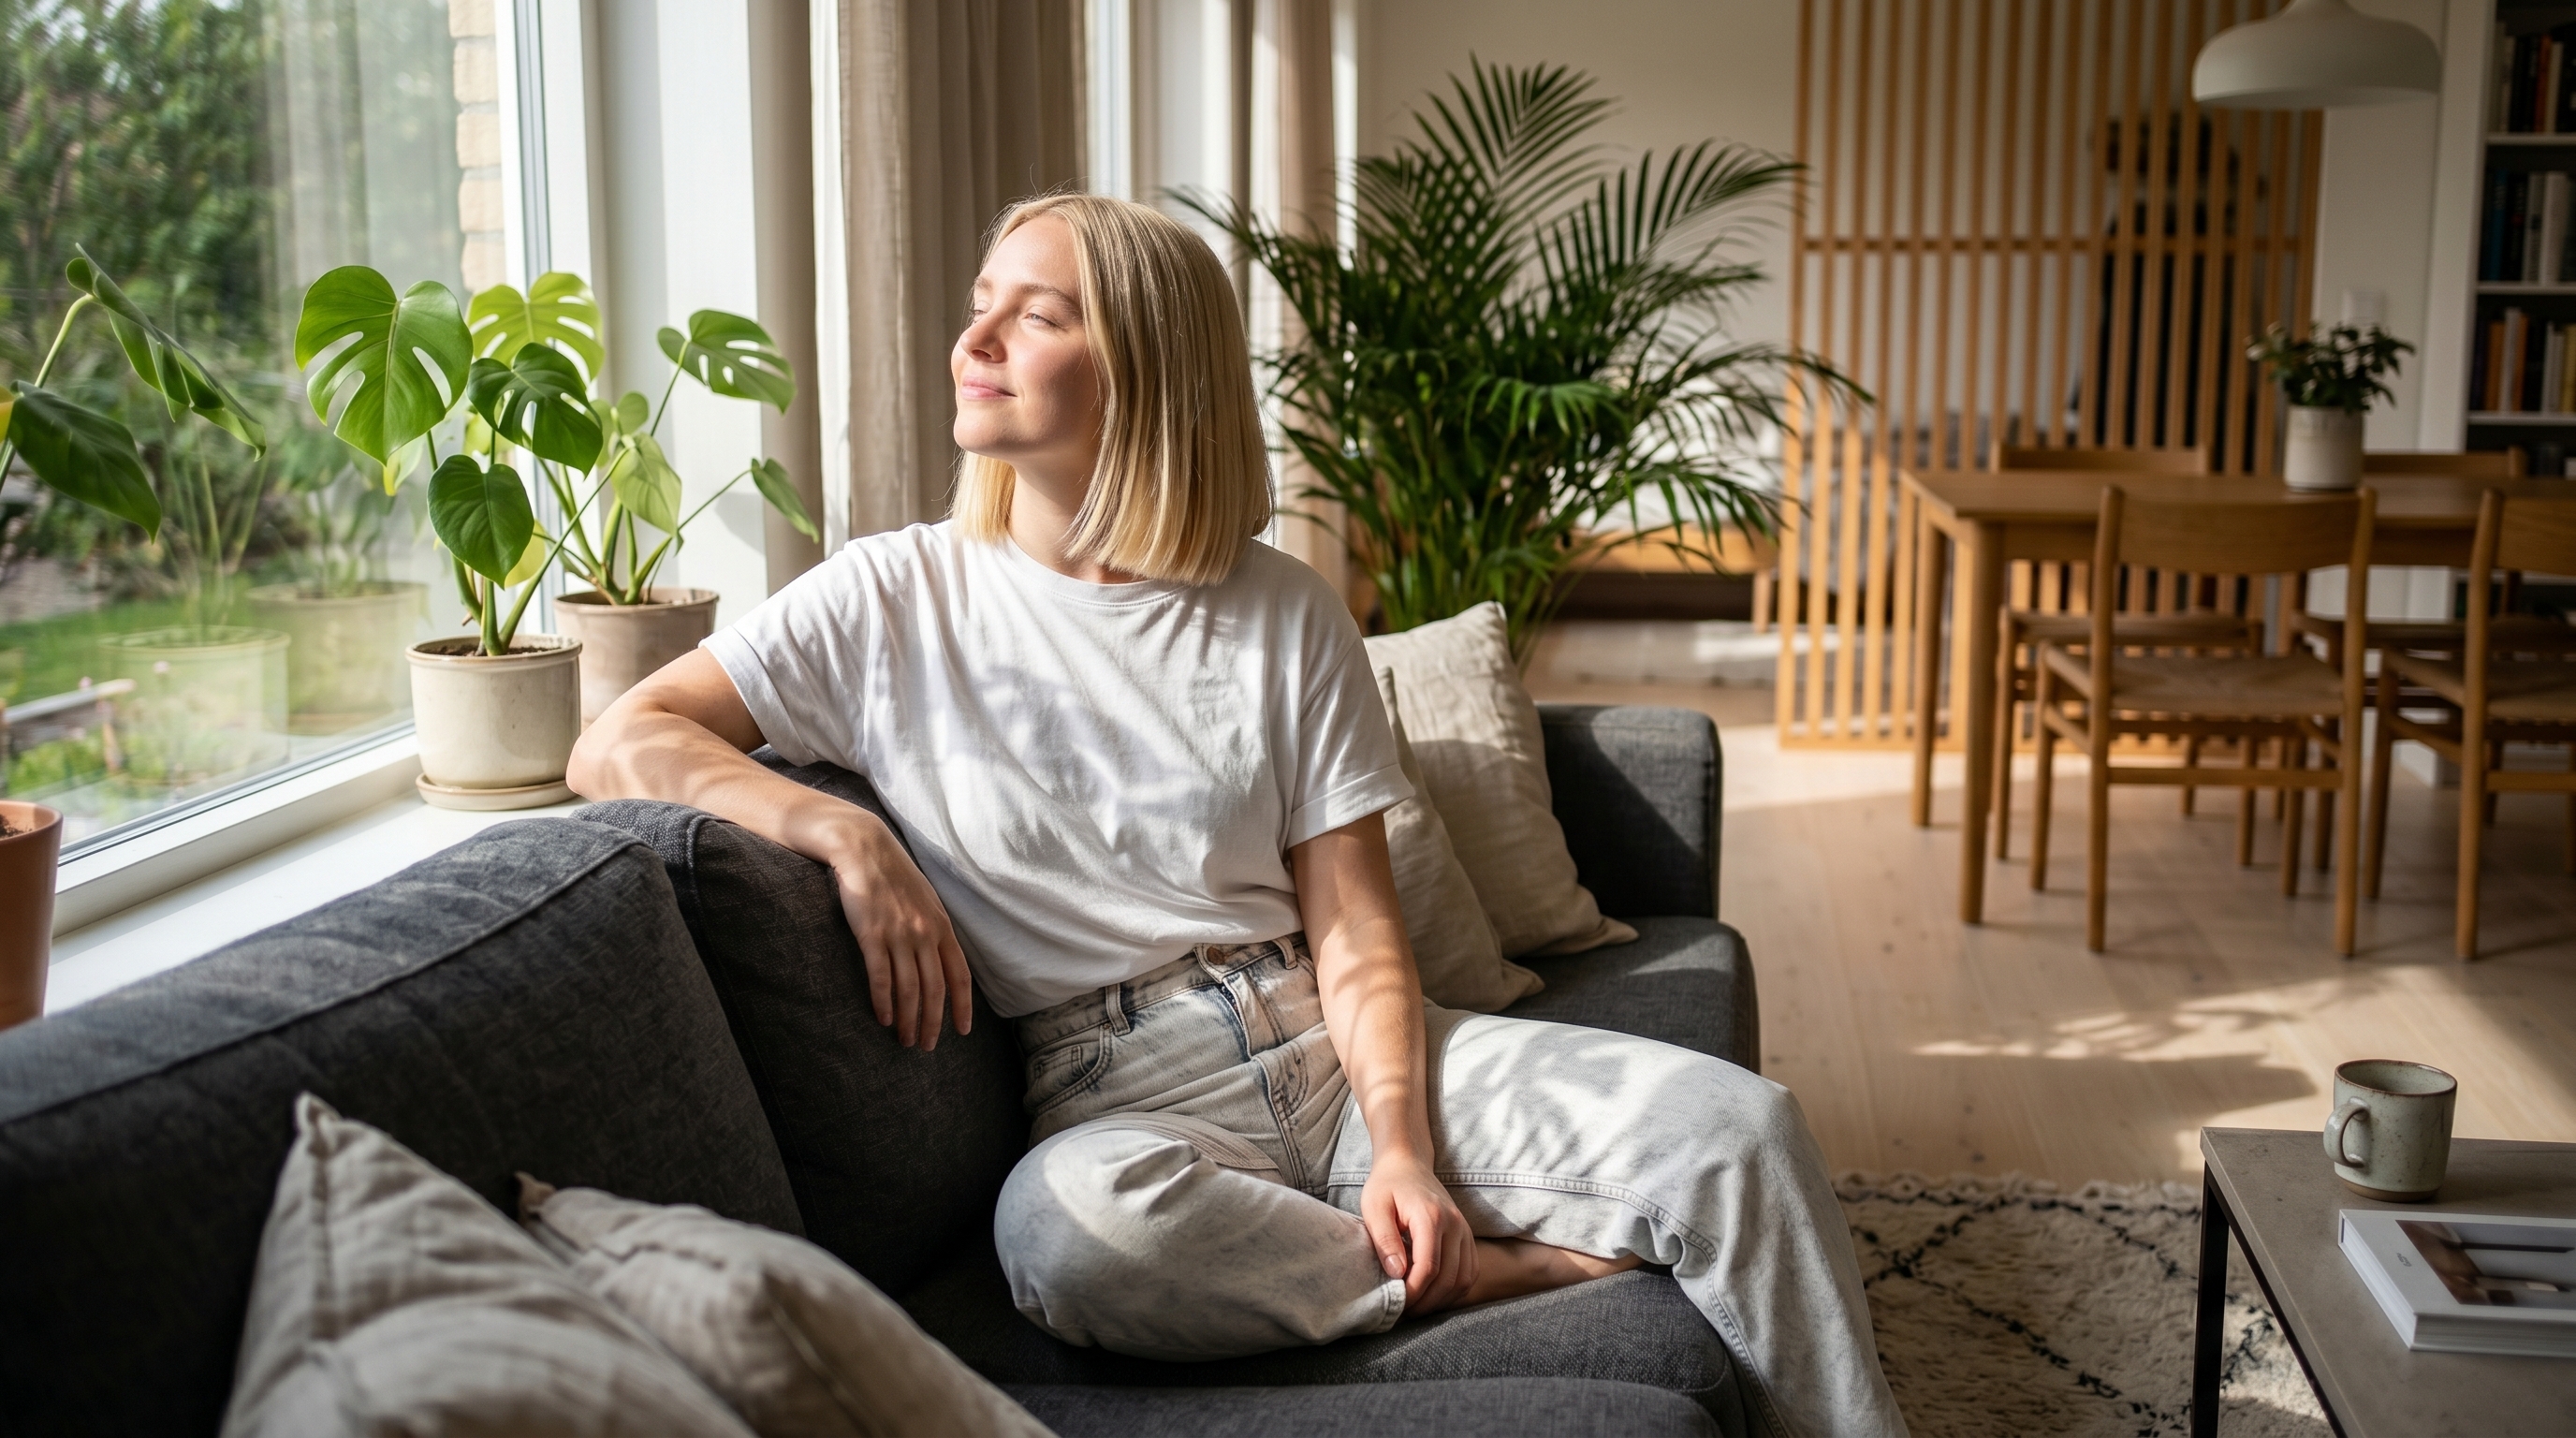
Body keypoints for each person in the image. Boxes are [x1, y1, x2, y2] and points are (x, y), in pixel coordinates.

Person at [566, 193, 1907, 1438]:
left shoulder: (1278, 609)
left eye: (1035, 313)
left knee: (1743, 1134)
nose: (974, 338)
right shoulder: (887, 599)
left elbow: (1357, 923)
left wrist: (1401, 1150)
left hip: (1325, 1034)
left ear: (1146, 365)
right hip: (1119, 1095)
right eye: (983, 300)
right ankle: (1481, 1278)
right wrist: (835, 830)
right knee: (1073, 1240)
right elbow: (619, 738)